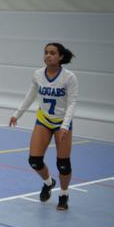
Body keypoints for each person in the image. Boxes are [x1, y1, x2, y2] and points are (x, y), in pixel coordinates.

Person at [10, 43, 79, 211]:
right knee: (34, 160)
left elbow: (72, 103)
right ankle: (48, 183)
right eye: (46, 52)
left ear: (61, 57)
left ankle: (63, 194)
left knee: (63, 164)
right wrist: (17, 114)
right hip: (43, 120)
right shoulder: (38, 74)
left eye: (53, 53)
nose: (48, 55)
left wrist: (65, 125)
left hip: (62, 123)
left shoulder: (69, 77)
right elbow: (30, 96)